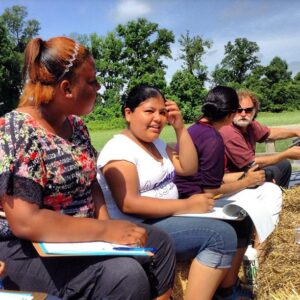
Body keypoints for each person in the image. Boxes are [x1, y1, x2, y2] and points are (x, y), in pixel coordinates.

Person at [0, 37, 176, 300]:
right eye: (92, 81)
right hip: (27, 246)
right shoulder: (17, 130)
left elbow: (90, 183)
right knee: (124, 276)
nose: (99, 87)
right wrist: (105, 232)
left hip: (83, 235)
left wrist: (105, 224)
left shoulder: (77, 127)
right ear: (66, 88)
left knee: (160, 244)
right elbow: (26, 221)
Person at [97, 84, 242, 300]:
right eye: (149, 111)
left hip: (166, 216)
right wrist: (187, 205)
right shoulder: (119, 150)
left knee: (238, 220)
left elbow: (189, 167)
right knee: (221, 236)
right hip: (140, 226)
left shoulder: (156, 143)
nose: (158, 118)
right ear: (128, 113)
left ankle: (226, 290)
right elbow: (129, 203)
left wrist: (180, 129)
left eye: (163, 112)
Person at [174, 86, 282, 299]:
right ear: (232, 114)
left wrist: (242, 180)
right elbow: (212, 188)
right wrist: (246, 181)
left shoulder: (195, 129)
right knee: (241, 222)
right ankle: (228, 287)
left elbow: (209, 178)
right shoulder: (214, 138)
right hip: (194, 200)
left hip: (186, 194)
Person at [220, 89, 300, 188]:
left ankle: (280, 198)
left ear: (254, 110)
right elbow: (251, 163)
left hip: (246, 170)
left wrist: (296, 132)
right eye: (238, 110)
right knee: (271, 173)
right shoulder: (229, 131)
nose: (243, 114)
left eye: (248, 110)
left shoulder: (250, 125)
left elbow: (270, 133)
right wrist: (286, 154)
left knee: (284, 165)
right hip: (227, 180)